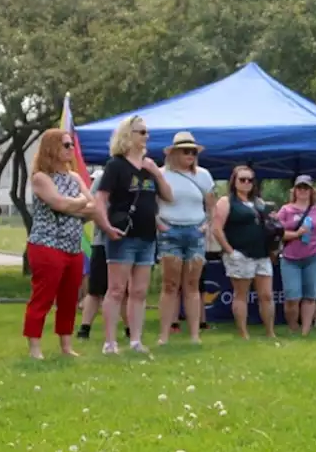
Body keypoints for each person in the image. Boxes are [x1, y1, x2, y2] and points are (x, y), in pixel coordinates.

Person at [92, 115, 172, 356]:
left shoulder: (150, 166)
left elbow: (168, 196)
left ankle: (135, 340)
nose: (146, 136)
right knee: (116, 289)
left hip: (147, 235)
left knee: (139, 291)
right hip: (123, 234)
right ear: (128, 134)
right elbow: (101, 199)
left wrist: (156, 173)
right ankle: (110, 342)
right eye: (141, 132)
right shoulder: (115, 165)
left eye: (147, 132)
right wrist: (105, 227)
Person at [23, 129, 93, 359]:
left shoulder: (75, 177)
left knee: (69, 299)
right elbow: (58, 203)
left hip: (73, 247)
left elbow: (92, 207)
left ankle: (66, 346)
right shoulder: (41, 177)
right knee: (42, 297)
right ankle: (34, 347)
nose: (71, 149)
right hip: (47, 245)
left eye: (71, 145)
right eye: (66, 145)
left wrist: (75, 205)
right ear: (52, 147)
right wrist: (79, 203)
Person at [155, 132, 215, 345]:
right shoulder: (161, 174)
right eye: (186, 151)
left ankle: (194, 335)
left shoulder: (204, 176)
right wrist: (159, 224)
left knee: (192, 284)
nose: (190, 154)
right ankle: (164, 335)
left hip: (195, 231)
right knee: (170, 284)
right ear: (174, 153)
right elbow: (151, 202)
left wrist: (207, 225)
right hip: (169, 230)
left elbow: (211, 205)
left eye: (193, 151)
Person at [213, 166, 277, 340]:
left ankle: (270, 333)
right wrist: (230, 251)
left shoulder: (259, 202)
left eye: (250, 180)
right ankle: (243, 333)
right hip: (240, 253)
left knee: (266, 294)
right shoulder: (226, 201)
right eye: (242, 179)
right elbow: (217, 229)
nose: (247, 183)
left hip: (261, 253)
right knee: (241, 294)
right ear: (234, 181)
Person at [276, 175, 316, 336]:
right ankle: (293, 326)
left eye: (306, 188)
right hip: (290, 258)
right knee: (292, 296)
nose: (302, 191)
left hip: (314, 257)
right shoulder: (286, 210)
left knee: (310, 295)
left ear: (311, 191)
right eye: (299, 188)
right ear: (294, 190)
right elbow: (278, 233)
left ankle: (305, 331)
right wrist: (297, 234)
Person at [77, 167, 127, 341]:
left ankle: (130, 329)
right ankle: (84, 328)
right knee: (96, 289)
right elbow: (91, 206)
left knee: (124, 289)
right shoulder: (104, 178)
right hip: (102, 241)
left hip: (128, 241)